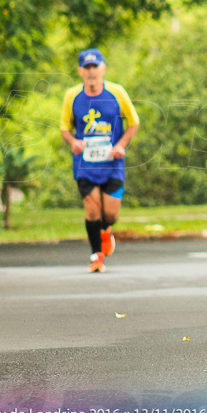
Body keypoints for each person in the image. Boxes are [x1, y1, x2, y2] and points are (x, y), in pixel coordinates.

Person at [60, 49, 140, 273]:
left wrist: (120, 145)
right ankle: (96, 256)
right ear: (80, 71)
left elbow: (133, 123)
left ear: (103, 68)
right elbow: (64, 128)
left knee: (111, 214)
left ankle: (106, 229)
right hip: (85, 164)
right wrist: (73, 142)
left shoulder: (117, 92)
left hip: (112, 162)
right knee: (92, 210)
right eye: (87, 68)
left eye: (95, 67)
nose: (91, 72)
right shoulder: (72, 96)